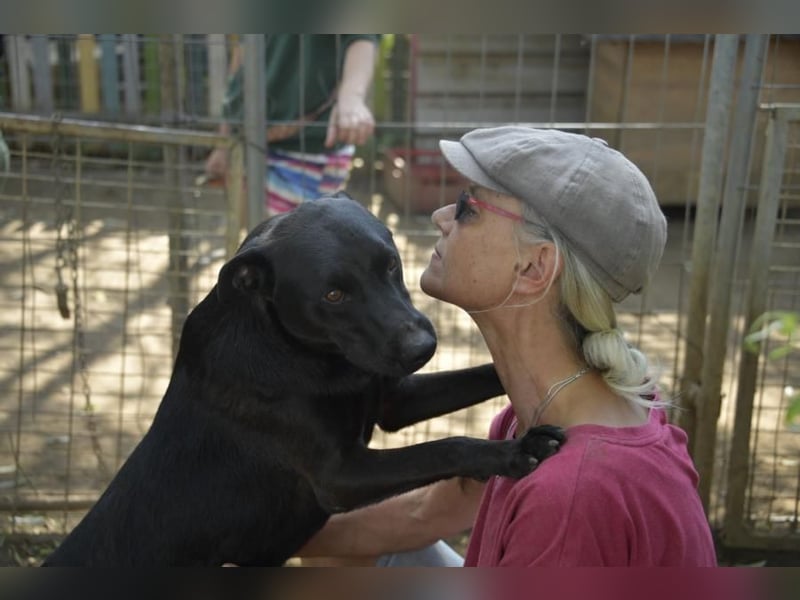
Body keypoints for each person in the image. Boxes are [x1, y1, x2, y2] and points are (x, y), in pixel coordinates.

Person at [297, 126, 718, 566]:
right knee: (344, 554)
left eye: (467, 209)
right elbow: (421, 513)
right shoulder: (544, 412)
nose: (442, 216)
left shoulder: (569, 497)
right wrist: (243, 538)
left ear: (534, 266)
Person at [204, 34, 379, 215]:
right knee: (254, 232)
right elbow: (240, 58)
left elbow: (363, 38)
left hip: (309, 145)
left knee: (287, 237)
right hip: (246, 139)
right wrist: (224, 142)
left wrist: (352, 98)